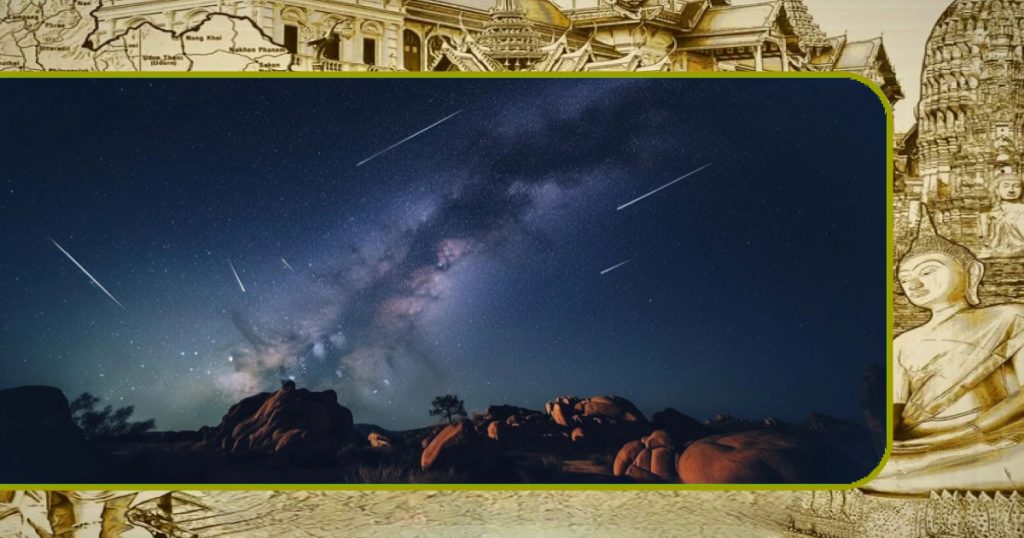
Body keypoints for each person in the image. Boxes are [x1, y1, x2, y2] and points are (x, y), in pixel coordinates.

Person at [866, 207, 1024, 494]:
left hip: (991, 438)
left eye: (928, 270)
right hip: (918, 446)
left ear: (972, 271)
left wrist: (975, 430)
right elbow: (896, 410)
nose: (915, 283)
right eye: (905, 279)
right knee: (874, 472)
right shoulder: (903, 342)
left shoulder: (1011, 317)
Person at [979, 172, 1024, 257]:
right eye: (1005, 186)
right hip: (996, 252)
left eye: (1017, 186)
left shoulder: (1022, 209)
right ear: (997, 190)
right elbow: (984, 237)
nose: (1011, 190)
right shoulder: (987, 212)